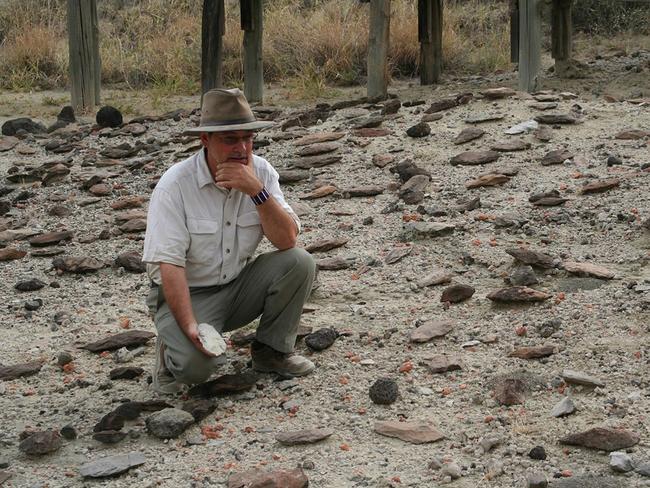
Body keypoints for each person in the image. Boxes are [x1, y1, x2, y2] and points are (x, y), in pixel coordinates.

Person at [143, 88, 316, 394]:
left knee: (299, 262)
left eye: (247, 138)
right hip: (185, 294)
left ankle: (271, 353)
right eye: (230, 139)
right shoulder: (175, 186)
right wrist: (189, 328)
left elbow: (287, 240)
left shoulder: (261, 172)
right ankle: (169, 351)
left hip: (236, 287)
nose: (242, 148)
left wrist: (257, 192)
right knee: (196, 371)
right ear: (205, 140)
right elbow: (169, 267)